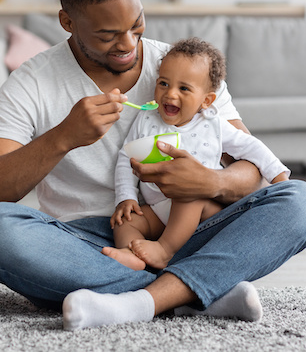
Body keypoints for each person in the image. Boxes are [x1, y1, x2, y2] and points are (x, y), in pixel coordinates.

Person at [0, 0, 306, 331]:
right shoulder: (32, 83)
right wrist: (62, 137)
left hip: (189, 225)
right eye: (107, 35)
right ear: (67, 21)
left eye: (137, 24)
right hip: (84, 243)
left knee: (302, 202)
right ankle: (192, 292)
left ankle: (138, 299)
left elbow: (252, 170)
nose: (128, 44)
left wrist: (211, 181)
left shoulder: (182, 69)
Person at [105, 38, 291, 271]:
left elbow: (251, 147)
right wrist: (126, 197)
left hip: (201, 208)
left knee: (188, 190)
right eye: (163, 83)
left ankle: (164, 251)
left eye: (183, 88)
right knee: (125, 221)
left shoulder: (212, 124)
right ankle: (129, 254)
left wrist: (279, 178)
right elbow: (126, 157)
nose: (170, 94)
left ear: (206, 100)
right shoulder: (146, 118)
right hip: (159, 209)